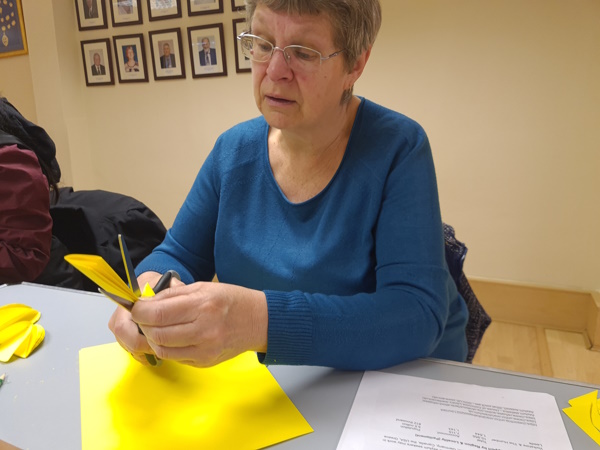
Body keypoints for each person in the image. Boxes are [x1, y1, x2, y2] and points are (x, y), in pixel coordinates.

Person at [109, 0, 469, 371]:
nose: (276, 71)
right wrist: (147, 293)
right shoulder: (232, 151)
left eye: (303, 52)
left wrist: (256, 321)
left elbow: (416, 314)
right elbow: (179, 255)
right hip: (280, 380)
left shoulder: (399, 148)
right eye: (263, 44)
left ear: (355, 64)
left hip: (393, 382)